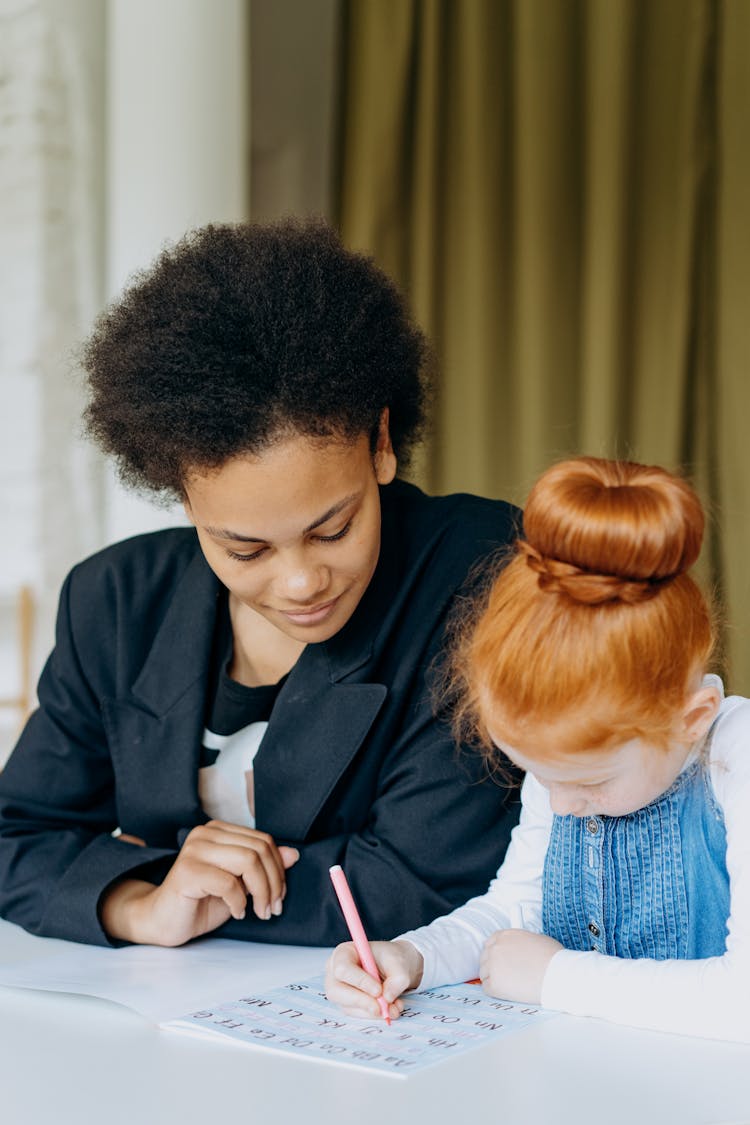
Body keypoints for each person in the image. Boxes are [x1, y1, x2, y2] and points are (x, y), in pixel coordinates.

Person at [0, 218, 521, 949]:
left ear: (379, 443)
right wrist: (141, 903)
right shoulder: (117, 601)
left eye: (333, 528)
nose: (302, 580)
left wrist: (201, 890)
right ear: (183, 497)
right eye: (244, 549)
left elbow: (427, 877)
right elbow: (16, 836)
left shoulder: (480, 570)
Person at [326, 455, 750, 1044]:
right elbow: (514, 912)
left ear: (689, 720)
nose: (563, 804)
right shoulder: (563, 776)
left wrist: (556, 978)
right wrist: (412, 956)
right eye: (539, 777)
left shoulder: (737, 758)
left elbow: (741, 999)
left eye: (592, 781)